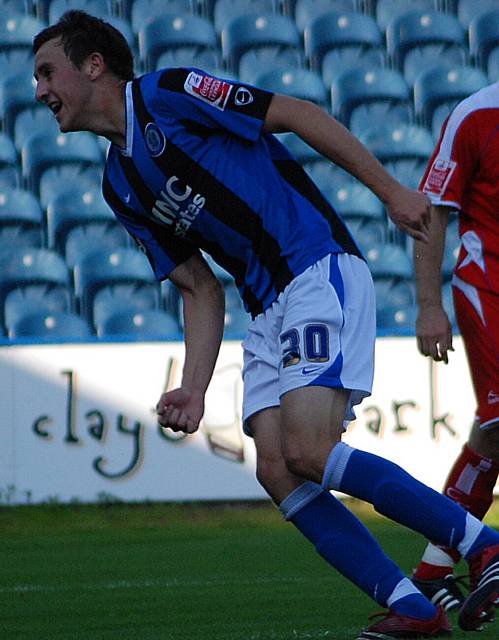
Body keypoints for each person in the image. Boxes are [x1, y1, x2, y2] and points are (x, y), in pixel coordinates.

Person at [33, 11, 499, 637]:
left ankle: (482, 543)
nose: (38, 91)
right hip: (267, 305)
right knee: (278, 470)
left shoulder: (167, 93)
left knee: (309, 448)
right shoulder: (119, 183)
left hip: (315, 266)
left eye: (46, 71)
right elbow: (199, 288)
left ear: (94, 65)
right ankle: (415, 610)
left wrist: (390, 190)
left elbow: (296, 112)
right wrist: (193, 388)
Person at [411, 82, 499, 613]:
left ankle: (431, 572)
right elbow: (431, 212)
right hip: (488, 287)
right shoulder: (475, 115)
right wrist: (429, 304)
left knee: (490, 441)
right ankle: (484, 557)